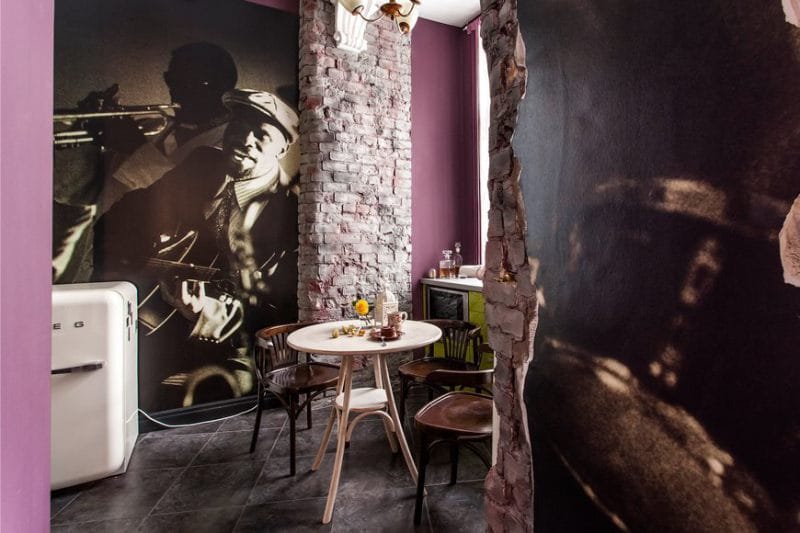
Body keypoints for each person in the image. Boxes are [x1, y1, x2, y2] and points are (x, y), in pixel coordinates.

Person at [93, 88, 300, 409]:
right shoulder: (203, 162)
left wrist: (206, 312)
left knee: (175, 394)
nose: (244, 140)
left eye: (261, 135)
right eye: (238, 127)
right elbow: (128, 213)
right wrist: (142, 251)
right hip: (149, 315)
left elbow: (278, 310)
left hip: (226, 344)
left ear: (283, 147)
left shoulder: (291, 209)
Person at [53, 42, 238, 283]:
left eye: (189, 82)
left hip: (157, 277)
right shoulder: (152, 128)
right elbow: (71, 190)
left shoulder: (236, 145)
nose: (175, 91)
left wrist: (134, 147)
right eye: (171, 79)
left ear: (222, 90)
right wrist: (85, 130)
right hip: (94, 257)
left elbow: (195, 208)